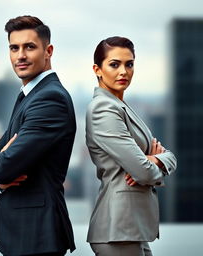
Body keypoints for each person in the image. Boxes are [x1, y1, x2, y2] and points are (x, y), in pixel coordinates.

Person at [0, 15, 76, 256]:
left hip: (36, 236)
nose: (20, 55)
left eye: (29, 47)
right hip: (26, 236)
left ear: (48, 50)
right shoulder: (29, 96)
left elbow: (1, 165)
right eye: (14, 48)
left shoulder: (49, 99)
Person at [85, 36, 177, 256]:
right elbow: (143, 173)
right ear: (97, 69)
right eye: (114, 64)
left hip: (132, 228)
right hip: (117, 229)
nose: (123, 71)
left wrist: (155, 159)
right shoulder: (103, 109)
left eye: (129, 64)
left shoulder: (121, 106)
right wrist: (149, 162)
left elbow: (168, 156)